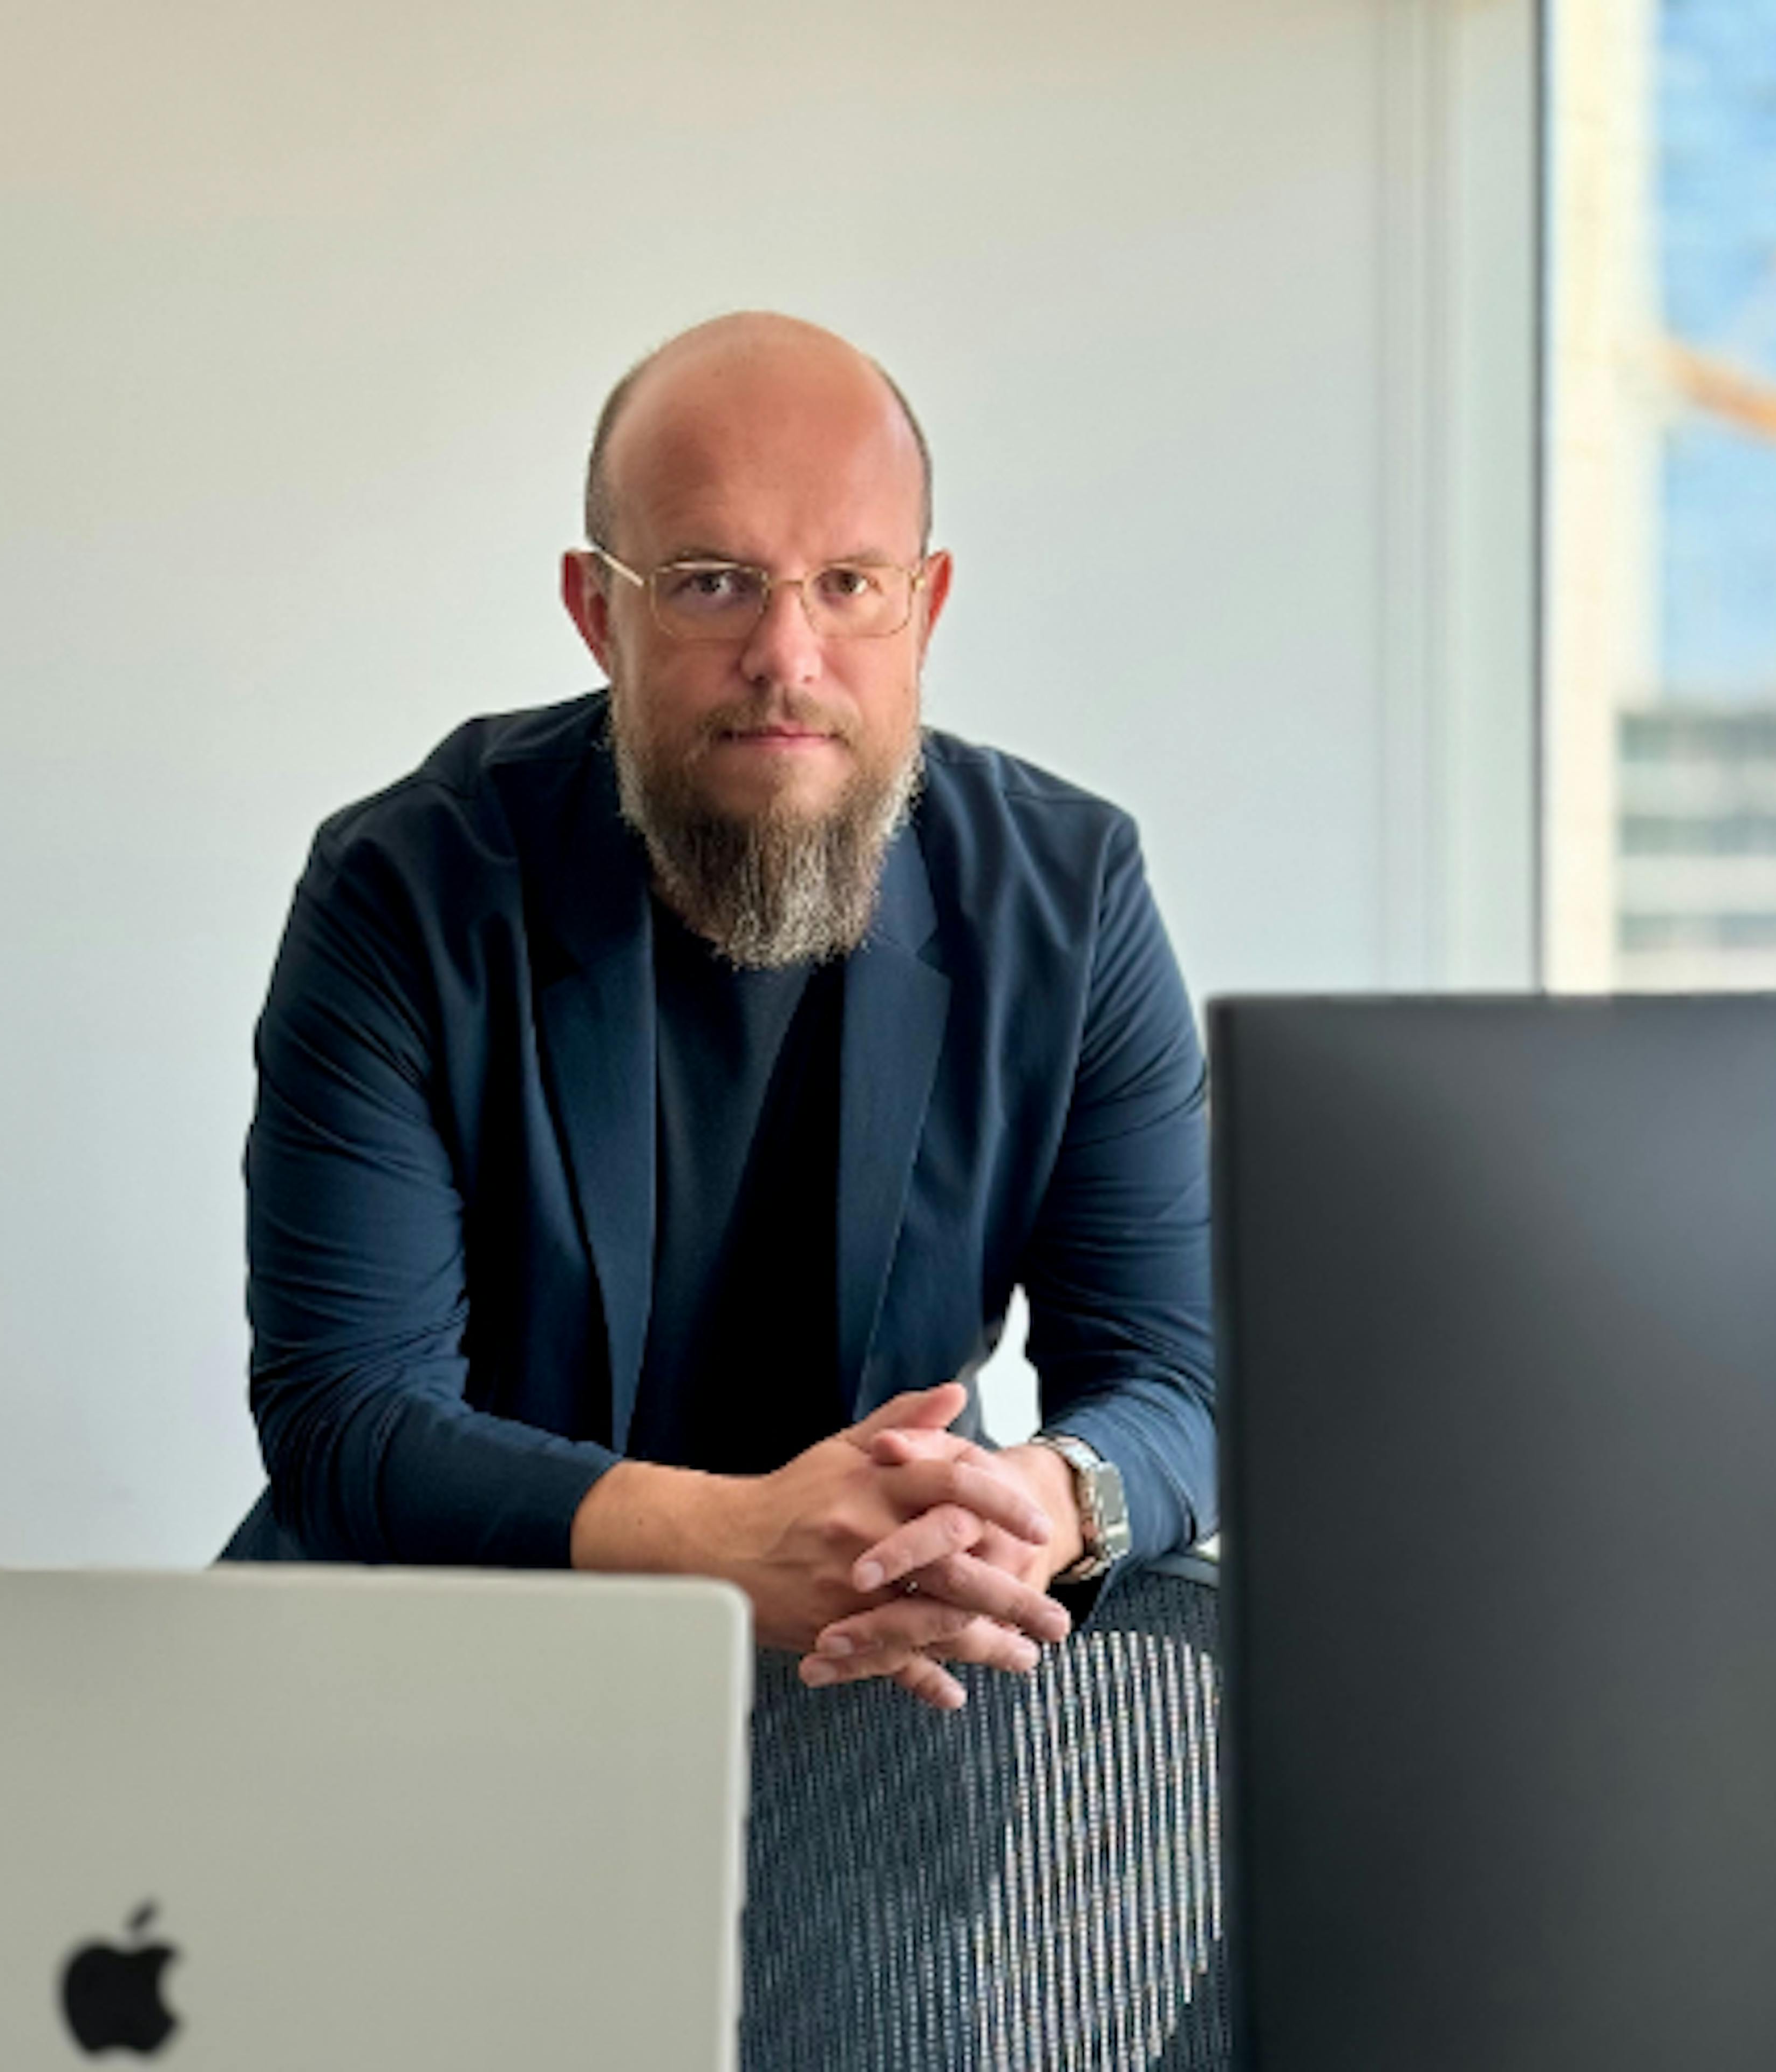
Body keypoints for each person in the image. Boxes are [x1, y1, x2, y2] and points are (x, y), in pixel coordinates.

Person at [221, 312, 1215, 1710]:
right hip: (425, 1703)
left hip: (876, 1716)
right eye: (711, 583)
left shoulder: (1071, 890)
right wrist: (730, 1544)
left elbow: (1183, 1377)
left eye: (849, 583)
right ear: (598, 612)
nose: (786, 654)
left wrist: (1039, 1505)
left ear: (925, 607)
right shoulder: (406, 884)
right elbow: (347, 1417)